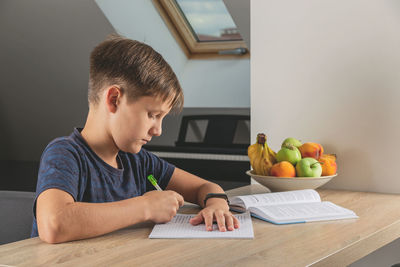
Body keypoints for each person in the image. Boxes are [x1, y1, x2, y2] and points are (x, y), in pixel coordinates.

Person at [31, 35, 240, 244]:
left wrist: (217, 206)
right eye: (152, 115)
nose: (158, 130)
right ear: (114, 99)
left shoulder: (140, 162)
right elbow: (54, 225)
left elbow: (205, 187)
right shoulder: (64, 154)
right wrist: (146, 207)